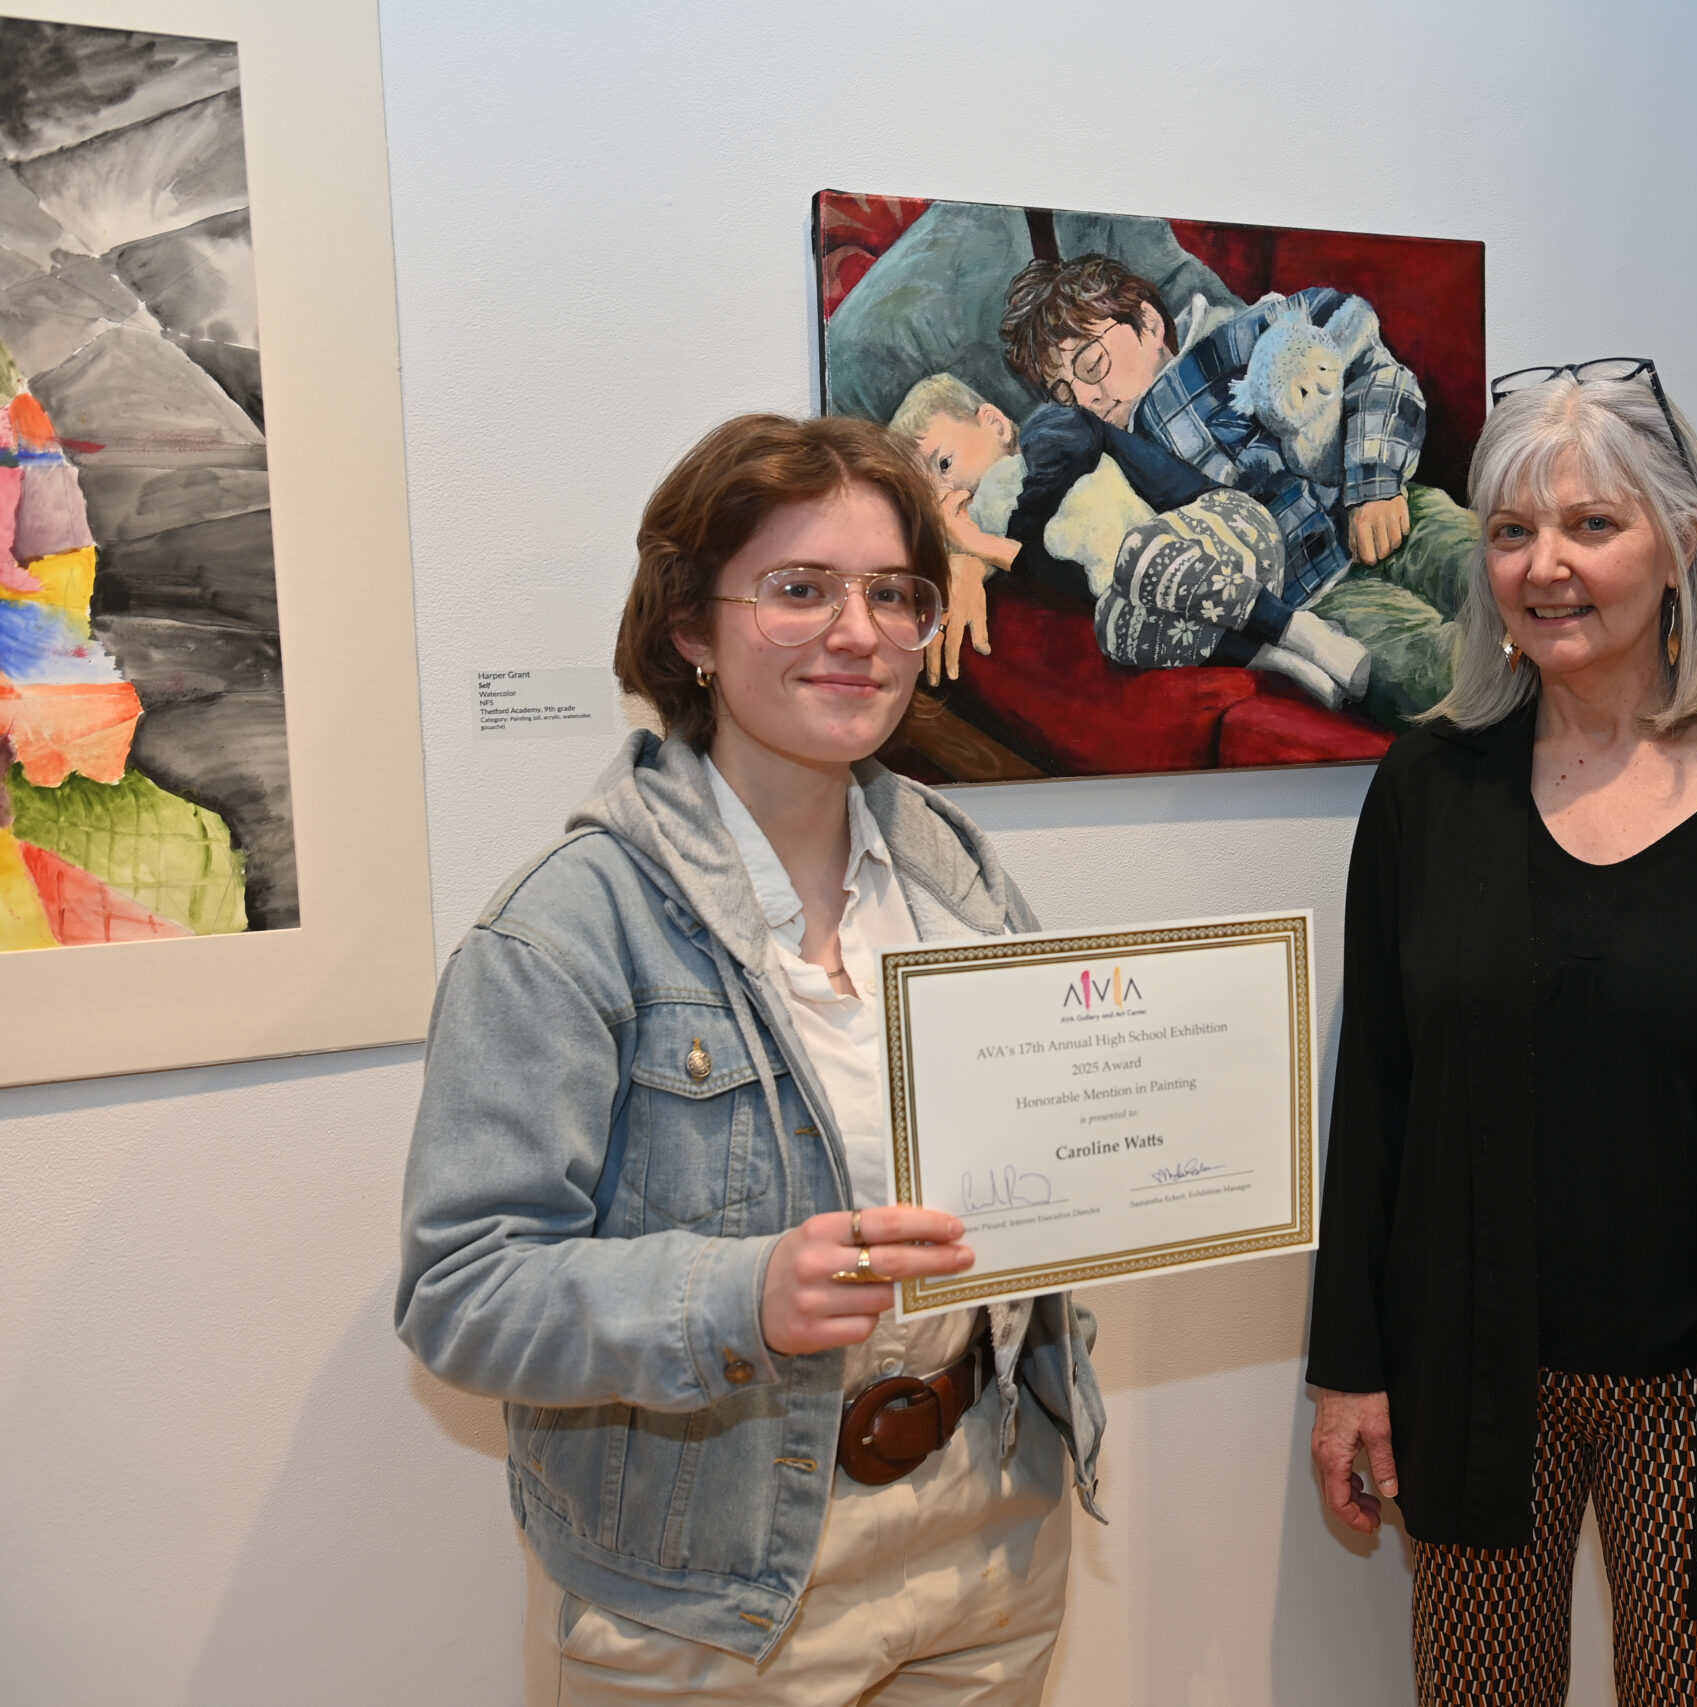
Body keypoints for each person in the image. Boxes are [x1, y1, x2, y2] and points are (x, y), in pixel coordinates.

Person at [396, 414, 1103, 1706]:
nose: (860, 630)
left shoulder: (959, 875)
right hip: (720, 1590)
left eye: (895, 593)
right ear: (688, 631)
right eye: (799, 589)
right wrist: (735, 1293)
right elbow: (463, 1290)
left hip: (988, 1536)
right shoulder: (564, 929)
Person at [1305, 361, 1697, 1707]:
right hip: (1470, 1365)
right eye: (1512, 529)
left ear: (1683, 540)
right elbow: (1378, 1105)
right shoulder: (1427, 790)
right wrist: (1347, 1367)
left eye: (1592, 523)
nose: (1545, 566)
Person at [997, 255, 1480, 727]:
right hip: (1316, 594)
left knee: (1490, 572)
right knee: (1442, 674)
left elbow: (1362, 358)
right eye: (1061, 391)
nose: (1084, 398)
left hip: (1392, 507)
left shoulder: (1236, 336)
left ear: (1147, 322)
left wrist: (1375, 482)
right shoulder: (1108, 462)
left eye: (1089, 363)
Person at [890, 372, 1372, 707]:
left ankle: (1296, 628)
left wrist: (986, 544)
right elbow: (1079, 582)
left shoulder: (1046, 433)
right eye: (929, 498)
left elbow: (1075, 453)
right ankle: (1281, 659)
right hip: (1182, 590)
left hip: (1232, 527)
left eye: (944, 464)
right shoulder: (1007, 527)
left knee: (1134, 553)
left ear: (994, 423)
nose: (949, 494)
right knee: (1113, 624)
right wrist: (976, 546)